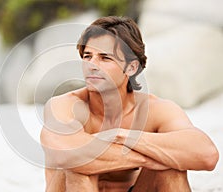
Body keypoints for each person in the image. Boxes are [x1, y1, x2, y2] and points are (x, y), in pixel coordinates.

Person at [40, 16, 219, 192]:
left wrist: (123, 136)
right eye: (88, 56)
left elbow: (207, 154)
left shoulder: (156, 110)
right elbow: (70, 156)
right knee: (78, 169)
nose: (92, 65)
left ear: (131, 67)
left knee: (170, 169)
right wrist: (151, 158)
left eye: (105, 58)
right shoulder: (63, 106)